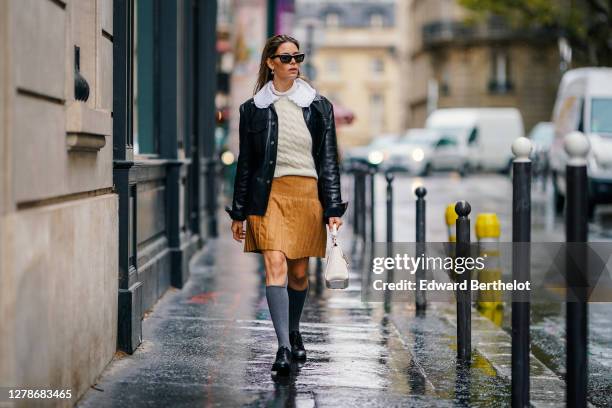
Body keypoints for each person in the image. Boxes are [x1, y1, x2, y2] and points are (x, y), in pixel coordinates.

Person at [225, 34, 348, 376]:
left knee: (297, 273)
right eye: (286, 58)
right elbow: (246, 164)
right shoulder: (253, 109)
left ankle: (294, 329)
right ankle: (282, 346)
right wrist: (239, 212)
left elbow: (328, 162)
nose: (294, 63)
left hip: (306, 195)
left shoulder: (319, 106)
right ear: (270, 63)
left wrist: (333, 208)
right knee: (275, 265)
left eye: (298, 57)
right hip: (268, 197)